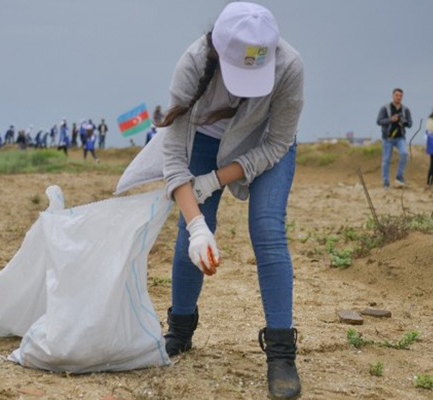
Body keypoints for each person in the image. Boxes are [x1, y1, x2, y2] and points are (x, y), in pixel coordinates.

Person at [156, 3, 304, 399]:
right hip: (204, 140)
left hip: (266, 144)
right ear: (218, 53)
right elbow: (172, 157)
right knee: (191, 237)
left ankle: (281, 353)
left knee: (268, 230)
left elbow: (277, 142)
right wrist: (197, 223)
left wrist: (216, 179)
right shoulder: (192, 63)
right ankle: (180, 330)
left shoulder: (289, 66)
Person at [376, 88, 413, 188]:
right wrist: (391, 120)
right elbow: (379, 121)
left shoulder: (405, 109)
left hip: (400, 137)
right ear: (393, 96)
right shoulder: (385, 108)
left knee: (404, 153)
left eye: (400, 96)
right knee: (386, 160)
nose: (399, 97)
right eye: (397, 95)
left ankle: (399, 176)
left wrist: (404, 123)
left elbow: (410, 123)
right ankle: (385, 182)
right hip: (387, 138)